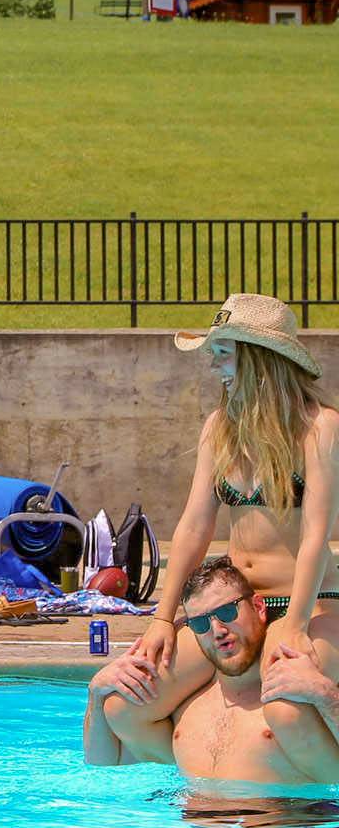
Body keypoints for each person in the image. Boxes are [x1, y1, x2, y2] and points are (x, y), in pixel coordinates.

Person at [102, 293, 339, 760]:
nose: (214, 365)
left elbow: (317, 537)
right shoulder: (220, 427)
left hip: (309, 607)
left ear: (258, 358)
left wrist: (293, 626)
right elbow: (194, 527)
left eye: (223, 353)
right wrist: (163, 619)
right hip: (233, 609)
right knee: (126, 704)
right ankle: (205, 786)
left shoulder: (320, 428)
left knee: (287, 709)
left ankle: (320, 808)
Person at [85, 556, 339, 783]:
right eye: (200, 623)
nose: (217, 631)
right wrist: (96, 696)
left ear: (259, 608)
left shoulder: (295, 706)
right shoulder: (183, 711)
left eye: (227, 612)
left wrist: (328, 696)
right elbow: (103, 767)